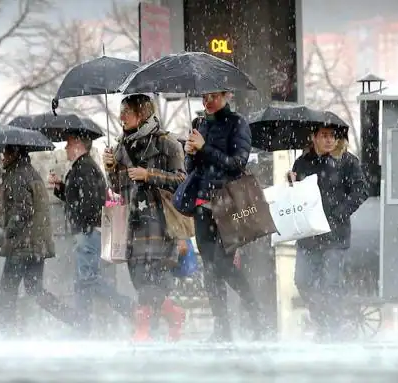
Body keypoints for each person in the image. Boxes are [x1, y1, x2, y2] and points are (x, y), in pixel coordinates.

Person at [102, 94, 187, 342]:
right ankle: (173, 314)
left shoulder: (167, 143)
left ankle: (143, 331)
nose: (121, 117)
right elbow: (118, 188)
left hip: (159, 222)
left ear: (141, 113)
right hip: (132, 222)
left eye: (126, 111)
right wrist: (110, 169)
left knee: (152, 279)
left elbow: (181, 180)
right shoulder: (121, 147)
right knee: (140, 280)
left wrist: (148, 174)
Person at [184, 91, 263, 342]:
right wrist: (190, 152)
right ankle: (222, 328)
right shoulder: (198, 124)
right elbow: (190, 168)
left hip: (228, 203)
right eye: (204, 96)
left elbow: (237, 163)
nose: (207, 101)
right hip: (201, 204)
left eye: (214, 96)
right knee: (210, 269)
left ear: (227, 95)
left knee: (223, 265)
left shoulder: (237, 123)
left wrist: (205, 148)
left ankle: (256, 313)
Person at [49, 133, 135, 338]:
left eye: (69, 144)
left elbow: (89, 203)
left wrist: (82, 224)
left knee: (87, 280)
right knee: (82, 282)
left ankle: (128, 308)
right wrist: (62, 188)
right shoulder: (83, 167)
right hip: (88, 231)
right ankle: (83, 324)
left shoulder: (85, 168)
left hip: (88, 233)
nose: (66, 148)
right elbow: (80, 199)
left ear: (79, 145)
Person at [288, 129, 367, 341]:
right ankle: (322, 321)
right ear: (313, 137)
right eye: (324, 135)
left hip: (335, 235)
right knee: (302, 280)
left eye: (333, 135)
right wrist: (291, 183)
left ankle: (333, 329)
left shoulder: (347, 161)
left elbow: (361, 190)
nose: (330, 140)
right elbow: (295, 194)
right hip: (308, 234)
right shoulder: (302, 162)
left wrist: (340, 213)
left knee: (331, 283)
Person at [0, 145, 76, 336]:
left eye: (6, 153)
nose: (3, 157)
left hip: (23, 245)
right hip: (36, 245)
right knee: (35, 290)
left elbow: (23, 210)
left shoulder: (17, 176)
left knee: (7, 289)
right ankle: (74, 319)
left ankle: (5, 332)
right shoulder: (30, 173)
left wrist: (8, 232)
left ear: (15, 154)